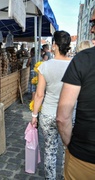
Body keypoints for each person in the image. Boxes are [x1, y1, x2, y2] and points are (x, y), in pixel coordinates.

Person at [56, 9, 95, 179]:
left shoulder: (83, 60)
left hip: (85, 156)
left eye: (93, 23)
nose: (92, 29)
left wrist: (69, 143)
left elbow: (63, 117)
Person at [31, 30, 72, 179]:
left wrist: (34, 115)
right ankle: (66, 176)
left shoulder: (45, 66)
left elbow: (40, 94)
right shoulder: (74, 65)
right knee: (67, 150)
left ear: (54, 45)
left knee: (49, 150)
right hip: (68, 115)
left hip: (48, 114)